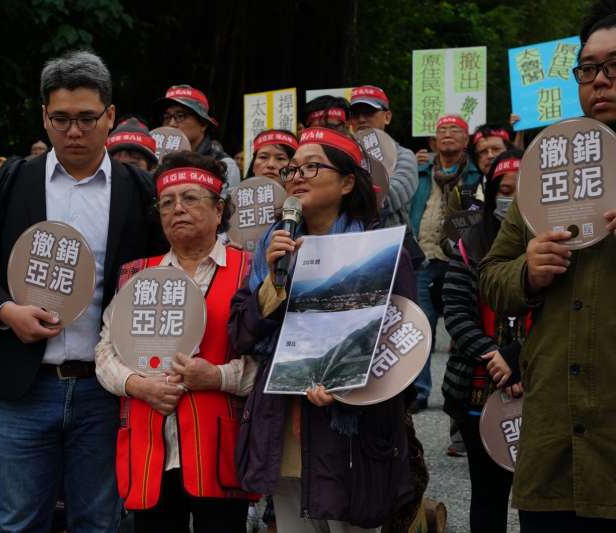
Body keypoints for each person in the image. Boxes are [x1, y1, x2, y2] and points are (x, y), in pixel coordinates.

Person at [0, 50, 166, 533]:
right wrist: (6, 311)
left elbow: (162, 275)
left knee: (99, 521)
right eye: (62, 119)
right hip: (23, 389)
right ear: (44, 117)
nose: (74, 131)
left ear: (109, 116)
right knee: (18, 521)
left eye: (87, 119)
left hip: (105, 389)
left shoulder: (137, 189)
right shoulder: (13, 180)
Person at [229, 127, 416, 533]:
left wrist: (349, 385)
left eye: (312, 167)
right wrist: (272, 285)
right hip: (283, 424)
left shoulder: (378, 249)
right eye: (292, 168)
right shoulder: (271, 248)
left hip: (352, 432)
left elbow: (406, 339)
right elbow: (240, 334)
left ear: (348, 181)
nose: (296, 175)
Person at [479, 5, 616, 531]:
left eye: (613, 66)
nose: (600, 80)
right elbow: (492, 275)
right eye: (588, 68)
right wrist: (527, 272)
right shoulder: (550, 164)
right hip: (554, 435)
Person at [96, 151, 257, 532]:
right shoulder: (137, 274)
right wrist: (138, 385)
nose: (177, 209)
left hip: (218, 448)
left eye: (190, 198)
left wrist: (216, 377)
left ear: (219, 210)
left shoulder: (249, 270)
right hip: (149, 446)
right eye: (167, 202)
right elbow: (105, 350)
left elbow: (270, 362)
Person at [442, 150, 525, 533]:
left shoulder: (558, 241)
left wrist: (519, 359)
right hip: (476, 384)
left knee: (536, 496)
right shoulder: (469, 243)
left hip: (538, 382)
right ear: (490, 194)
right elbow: (456, 312)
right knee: (488, 495)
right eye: (503, 190)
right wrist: (494, 355)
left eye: (520, 189)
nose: (511, 198)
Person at [409, 114, 482, 412]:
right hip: (423, 257)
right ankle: (419, 392)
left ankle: (459, 396)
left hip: (460, 261)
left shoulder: (475, 176)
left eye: (455, 130)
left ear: (466, 140)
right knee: (420, 327)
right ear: (433, 140)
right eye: (442, 130)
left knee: (462, 327)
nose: (448, 134)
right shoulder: (421, 172)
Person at [348, 85, 419, 229]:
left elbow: (393, 194)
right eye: (355, 114)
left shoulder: (404, 156)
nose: (361, 119)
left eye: (369, 112)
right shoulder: (342, 156)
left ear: (387, 117)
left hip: (393, 243)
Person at [154, 84, 241, 188]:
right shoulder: (154, 159)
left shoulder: (225, 166)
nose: (171, 123)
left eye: (180, 116)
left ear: (203, 124)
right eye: (167, 117)